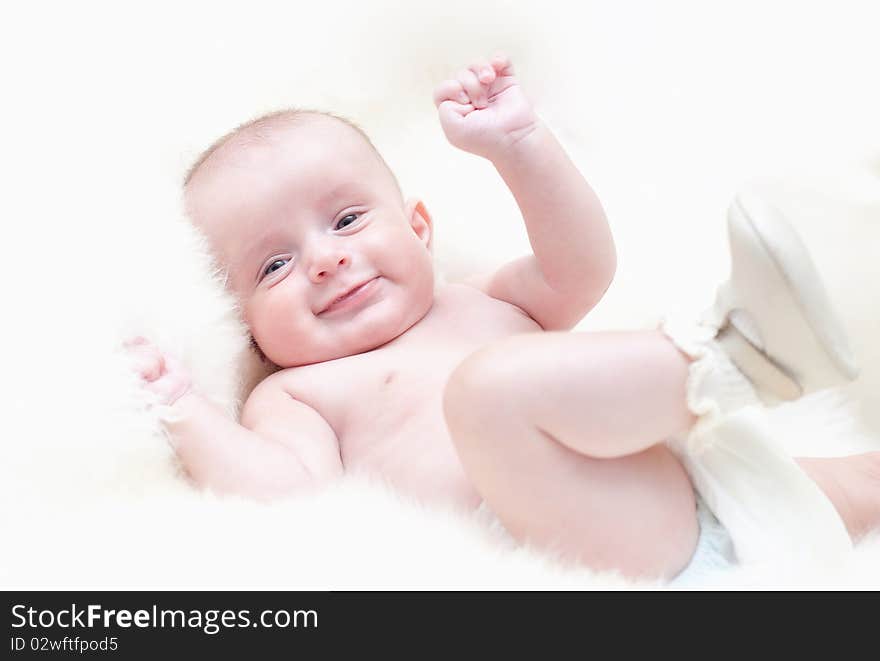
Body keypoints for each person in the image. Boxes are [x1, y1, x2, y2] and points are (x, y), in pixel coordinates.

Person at [126, 53, 879, 581]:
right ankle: (737, 353)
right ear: (247, 325)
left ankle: (744, 366)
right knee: (486, 394)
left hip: (720, 481)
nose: (323, 260)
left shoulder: (480, 298)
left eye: (348, 219)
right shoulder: (297, 395)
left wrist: (520, 148)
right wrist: (186, 411)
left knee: (858, 482)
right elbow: (288, 496)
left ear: (419, 227)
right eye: (273, 265)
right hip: (608, 548)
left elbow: (581, 268)